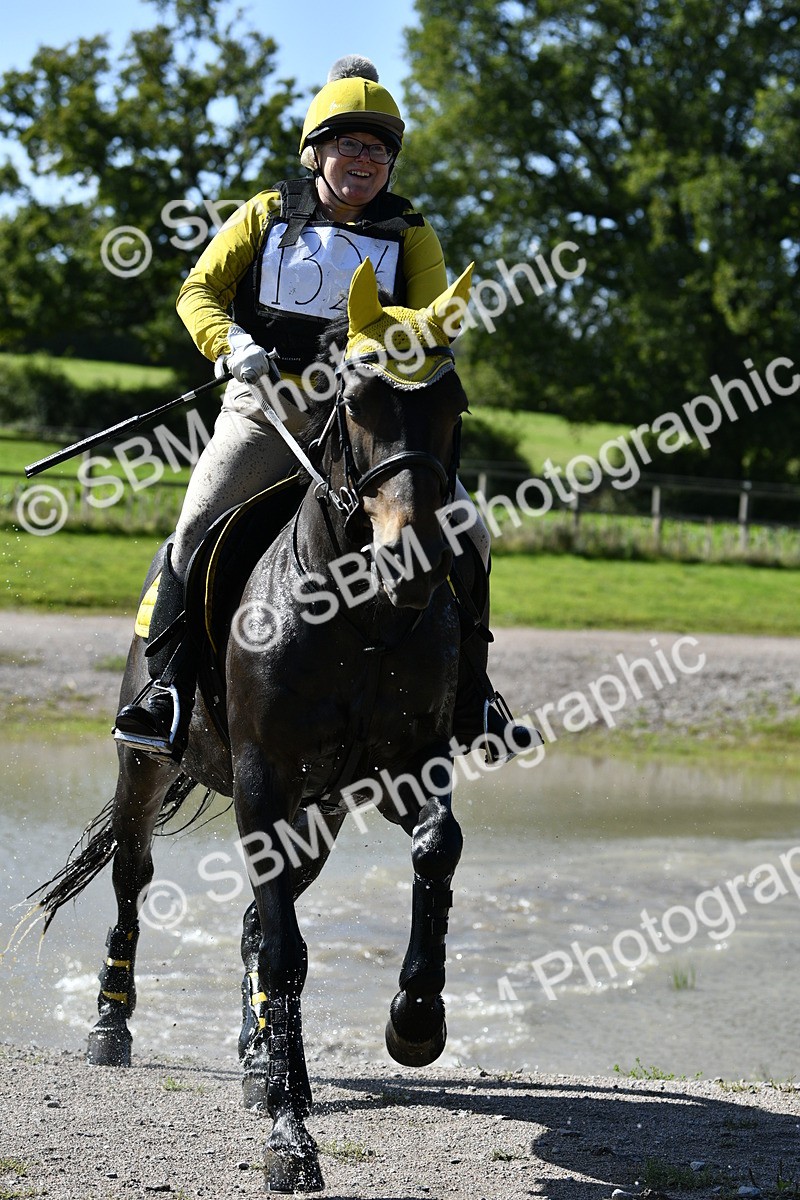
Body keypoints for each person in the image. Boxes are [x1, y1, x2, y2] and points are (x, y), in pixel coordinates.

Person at [114, 55, 536, 764]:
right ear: (317, 151)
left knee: (472, 533)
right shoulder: (268, 212)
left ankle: (474, 699)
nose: (364, 159)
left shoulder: (411, 231)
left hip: (369, 418)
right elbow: (197, 292)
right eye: (349, 144)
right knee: (193, 527)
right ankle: (166, 689)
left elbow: (435, 322)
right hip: (268, 405)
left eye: (378, 148)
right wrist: (230, 341)